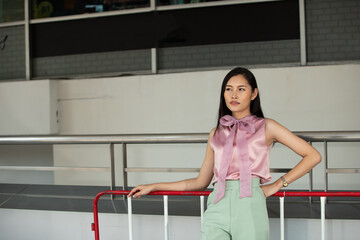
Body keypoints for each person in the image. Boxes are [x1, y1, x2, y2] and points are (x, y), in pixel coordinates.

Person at [128, 67, 321, 240]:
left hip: (249, 205)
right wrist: (154, 186)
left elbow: (313, 155)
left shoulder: (267, 126)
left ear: (254, 93)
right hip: (217, 204)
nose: (233, 95)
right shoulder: (216, 132)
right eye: (228, 89)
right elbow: (200, 182)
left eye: (241, 89)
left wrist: (277, 185)